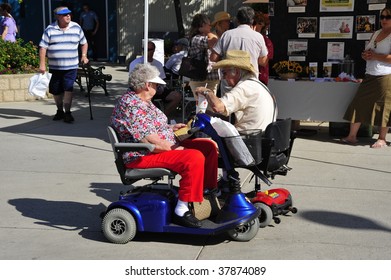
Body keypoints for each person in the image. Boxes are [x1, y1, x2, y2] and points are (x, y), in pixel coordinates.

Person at [110, 63, 219, 228]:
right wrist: (179, 149)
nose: (157, 87)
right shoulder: (132, 106)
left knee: (207, 147)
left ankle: (206, 193)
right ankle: (182, 209)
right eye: (155, 84)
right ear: (147, 85)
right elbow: (150, 141)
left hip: (154, 148)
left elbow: (151, 127)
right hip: (141, 155)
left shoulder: (142, 100)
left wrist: (170, 128)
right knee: (193, 156)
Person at [341, 7, 391, 148]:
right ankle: (352, 136)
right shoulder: (376, 33)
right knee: (358, 104)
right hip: (370, 75)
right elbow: (370, 51)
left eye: (388, 17)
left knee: (384, 108)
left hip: (386, 75)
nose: (384, 20)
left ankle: (382, 138)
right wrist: (366, 55)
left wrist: (374, 56)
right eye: (382, 17)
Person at [195, 50, 276, 133]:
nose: (223, 77)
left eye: (224, 73)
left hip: (248, 139)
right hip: (261, 137)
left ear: (236, 72)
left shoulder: (244, 87)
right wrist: (208, 114)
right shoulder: (256, 84)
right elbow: (228, 115)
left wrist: (207, 92)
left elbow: (218, 107)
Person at [39, 6, 88, 123]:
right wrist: (42, 64)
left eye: (69, 14)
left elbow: (84, 43)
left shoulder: (76, 27)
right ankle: (59, 110)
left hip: (71, 66)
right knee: (56, 90)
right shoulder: (50, 29)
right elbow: (43, 47)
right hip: (55, 67)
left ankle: (68, 113)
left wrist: (84, 55)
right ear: (58, 17)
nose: (68, 16)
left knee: (68, 88)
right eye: (65, 14)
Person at [210, 6, 268, 79]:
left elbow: (213, 58)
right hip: (250, 80)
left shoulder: (226, 35)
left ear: (237, 20)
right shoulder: (258, 37)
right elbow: (263, 62)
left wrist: (226, 59)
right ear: (252, 21)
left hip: (229, 79)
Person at [129, 41, 182, 117]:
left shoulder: (158, 64)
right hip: (141, 89)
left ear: (154, 50)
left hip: (157, 89)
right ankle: (149, 117)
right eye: (145, 49)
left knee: (177, 96)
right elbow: (132, 81)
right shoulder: (135, 63)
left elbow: (163, 80)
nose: (147, 52)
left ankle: (162, 117)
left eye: (150, 49)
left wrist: (159, 88)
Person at [187, 14, 220, 111]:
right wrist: (212, 34)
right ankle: (202, 125)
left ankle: (207, 125)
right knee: (203, 107)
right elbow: (214, 42)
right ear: (201, 25)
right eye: (208, 25)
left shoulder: (206, 37)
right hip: (199, 79)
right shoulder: (196, 38)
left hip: (212, 77)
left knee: (211, 107)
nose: (211, 27)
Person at [253, 12, 274, 85]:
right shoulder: (248, 38)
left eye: (258, 23)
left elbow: (263, 62)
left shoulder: (267, 41)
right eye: (253, 23)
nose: (254, 26)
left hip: (260, 78)